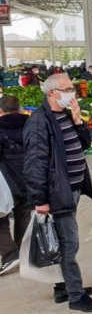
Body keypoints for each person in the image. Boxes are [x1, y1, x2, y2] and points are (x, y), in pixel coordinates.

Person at [23, 75, 92, 312]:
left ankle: (62, 287)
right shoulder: (40, 121)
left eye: (72, 88)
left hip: (73, 189)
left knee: (61, 240)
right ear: (51, 93)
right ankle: (76, 295)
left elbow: (84, 145)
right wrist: (40, 200)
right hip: (59, 192)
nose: (73, 93)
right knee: (69, 243)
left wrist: (78, 121)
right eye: (67, 89)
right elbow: (35, 163)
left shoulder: (66, 115)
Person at [0, 96, 30, 275]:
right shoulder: (29, 124)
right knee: (23, 215)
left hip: (7, 181)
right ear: (18, 109)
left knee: (1, 218)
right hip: (27, 178)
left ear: (2, 111)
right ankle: (23, 252)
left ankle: (11, 254)